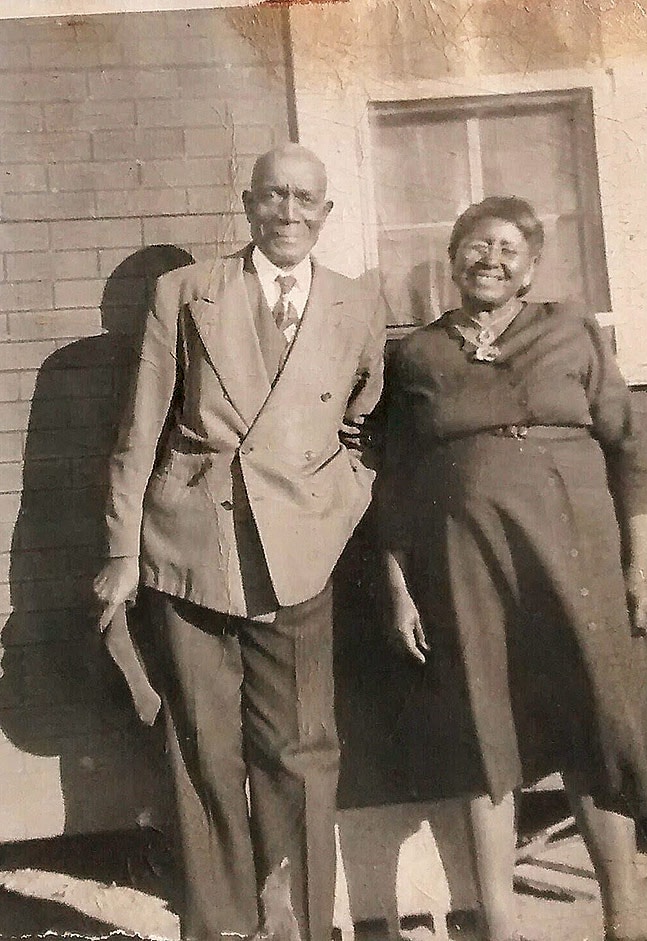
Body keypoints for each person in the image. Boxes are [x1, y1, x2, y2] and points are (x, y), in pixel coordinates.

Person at [93, 143, 385, 941]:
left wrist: (337, 507)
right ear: (249, 203)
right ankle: (220, 924)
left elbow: (361, 422)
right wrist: (124, 549)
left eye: (306, 199)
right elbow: (139, 426)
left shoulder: (357, 302)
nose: (289, 211)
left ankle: (294, 922)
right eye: (274, 195)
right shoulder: (185, 292)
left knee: (299, 746)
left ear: (326, 214)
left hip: (300, 551)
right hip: (191, 545)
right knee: (203, 745)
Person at [380, 195, 647, 941]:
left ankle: (624, 922)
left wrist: (640, 569)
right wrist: (399, 587)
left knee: (594, 721)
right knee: (482, 728)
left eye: (508, 248)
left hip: (576, 555)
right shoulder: (416, 354)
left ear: (531, 266)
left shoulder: (568, 329)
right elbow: (394, 481)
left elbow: (630, 450)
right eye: (476, 245)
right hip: (463, 562)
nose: (490, 260)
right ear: (452, 260)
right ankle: (501, 927)